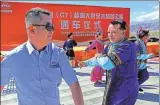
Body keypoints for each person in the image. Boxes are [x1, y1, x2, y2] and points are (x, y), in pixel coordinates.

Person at [1, 7, 84, 105]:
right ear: (32, 30)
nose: (51, 31)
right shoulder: (13, 58)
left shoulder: (58, 54)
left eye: (52, 27)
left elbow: (74, 84)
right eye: (48, 27)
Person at [78, 20, 139, 105]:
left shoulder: (127, 46)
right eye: (109, 32)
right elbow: (101, 59)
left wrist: (99, 56)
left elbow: (107, 64)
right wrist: (86, 63)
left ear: (123, 32)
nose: (110, 35)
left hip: (125, 89)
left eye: (114, 32)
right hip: (112, 85)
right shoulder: (110, 45)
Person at [135, 27, 154, 92]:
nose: (149, 37)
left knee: (145, 76)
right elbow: (137, 55)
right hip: (136, 65)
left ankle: (135, 86)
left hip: (142, 65)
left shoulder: (143, 43)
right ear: (143, 36)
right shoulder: (137, 44)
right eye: (148, 35)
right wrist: (148, 56)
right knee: (134, 79)